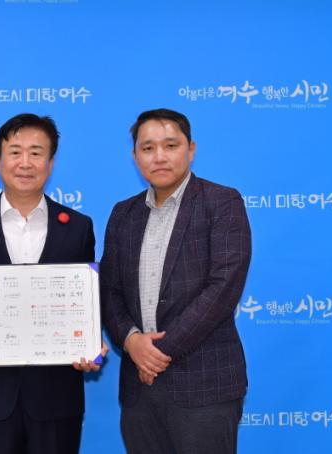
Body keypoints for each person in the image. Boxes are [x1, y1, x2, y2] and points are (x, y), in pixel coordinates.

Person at [0, 113, 106, 454]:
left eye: (36, 153)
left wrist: (90, 343)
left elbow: (87, 303)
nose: (25, 163)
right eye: (15, 152)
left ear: (50, 163)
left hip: (57, 396)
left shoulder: (78, 227)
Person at [100, 108, 251, 454]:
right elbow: (109, 291)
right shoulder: (123, 214)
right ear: (135, 156)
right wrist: (132, 341)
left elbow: (223, 287)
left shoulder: (222, 202)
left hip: (204, 384)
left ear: (190, 149)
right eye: (148, 148)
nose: (159, 156)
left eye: (170, 145)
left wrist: (156, 353)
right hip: (139, 389)